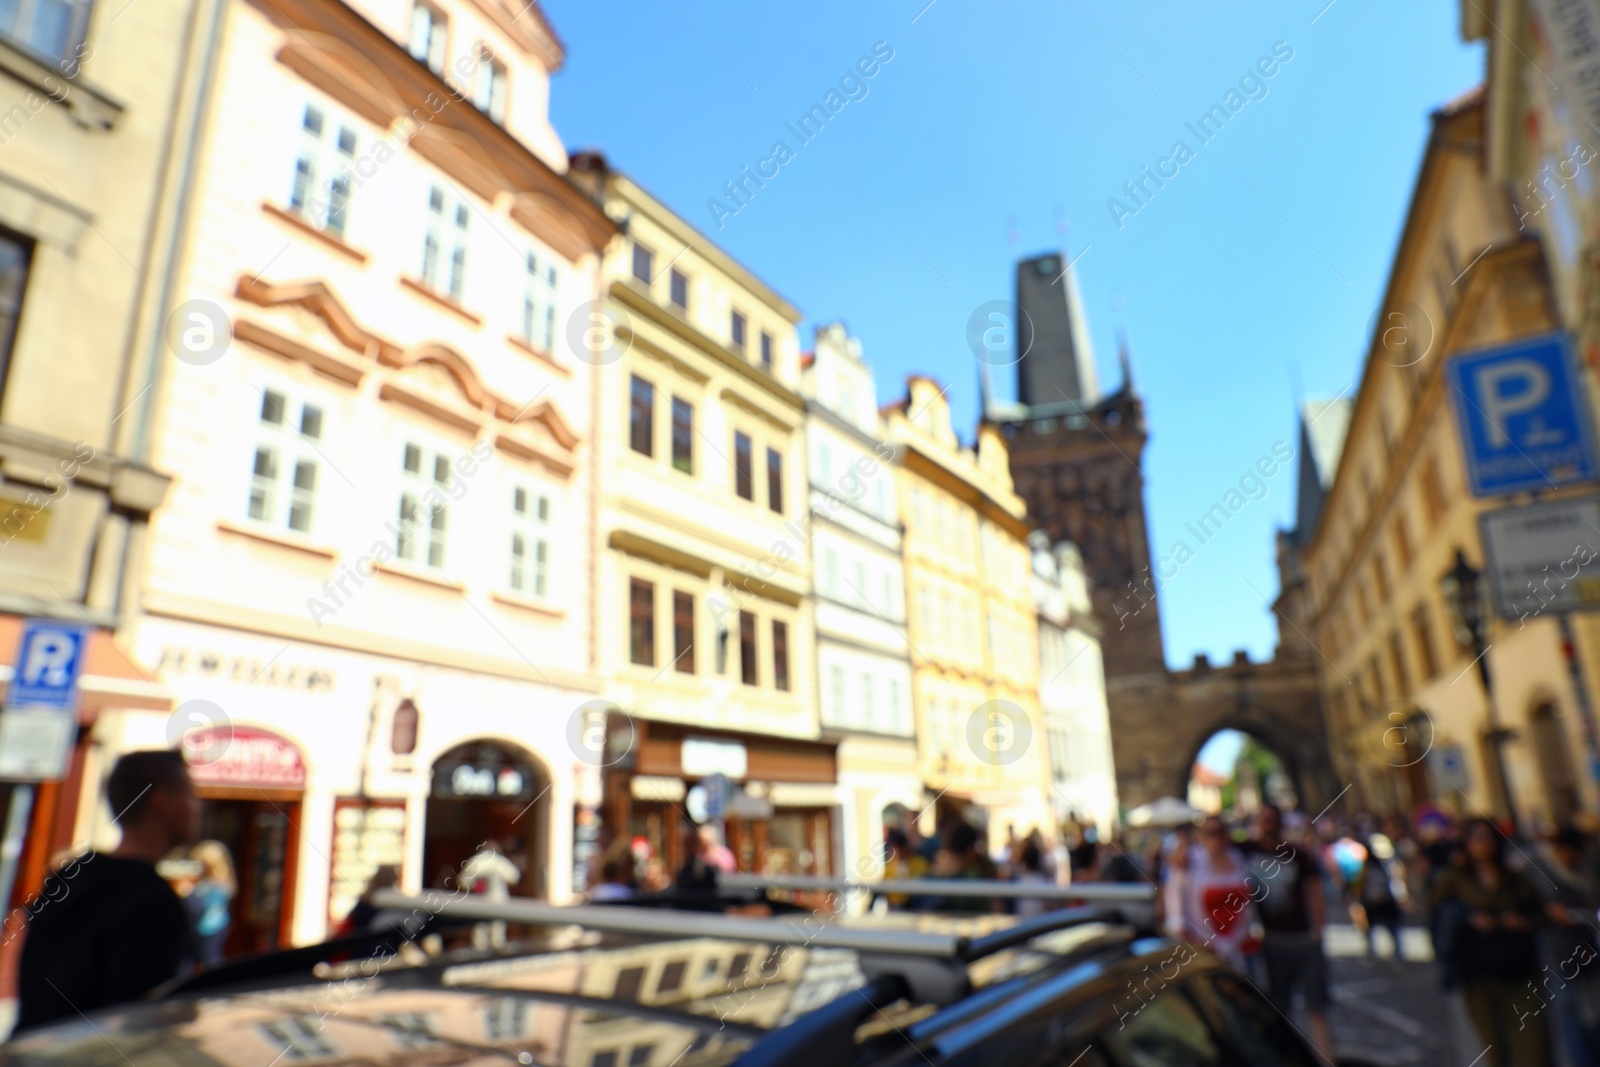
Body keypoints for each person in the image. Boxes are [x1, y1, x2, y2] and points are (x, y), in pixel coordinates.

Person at [16, 749, 201, 1032]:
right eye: (190, 795)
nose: (198, 807)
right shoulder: (150, 900)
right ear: (162, 802)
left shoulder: (70, 878)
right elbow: (137, 1023)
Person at [1431, 817, 1553, 1067]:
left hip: (1519, 970)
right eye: (1475, 837)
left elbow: (1539, 913)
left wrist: (1521, 921)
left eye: (1486, 837)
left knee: (1532, 1046)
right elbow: (1438, 913)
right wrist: (1468, 917)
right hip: (1478, 971)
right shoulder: (1455, 879)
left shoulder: (1515, 878)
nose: (1481, 844)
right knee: (1493, 1047)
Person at [1240, 804, 1333, 1062]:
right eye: (1263, 820)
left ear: (1280, 823)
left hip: (1303, 938)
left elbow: (1314, 890)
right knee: (1279, 1009)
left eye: (1272, 820)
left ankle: (1326, 1060)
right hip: (1272, 940)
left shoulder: (1298, 854)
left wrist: (1319, 929)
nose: (1268, 825)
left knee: (1317, 1010)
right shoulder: (1246, 850)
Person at [1535, 826, 1600, 1066]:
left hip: (1590, 949)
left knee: (1592, 1009)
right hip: (1561, 952)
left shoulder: (1589, 869)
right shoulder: (1544, 873)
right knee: (1569, 1009)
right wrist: (1551, 912)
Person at [1168, 816, 1258, 972]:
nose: (1215, 837)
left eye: (1220, 832)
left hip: (1239, 944)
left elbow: (1248, 900)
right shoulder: (1192, 860)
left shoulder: (1236, 858)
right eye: (1210, 832)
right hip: (1204, 946)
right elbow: (1175, 904)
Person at [460, 839, 520, 948]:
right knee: (497, 934)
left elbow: (463, 882)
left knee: (480, 935)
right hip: (498, 902)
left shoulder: (475, 861)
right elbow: (514, 877)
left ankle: (480, 959)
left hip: (479, 903)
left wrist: (475, 884)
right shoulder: (500, 861)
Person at [186, 839, 236, 967]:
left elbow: (201, 906)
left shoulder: (217, 884)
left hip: (210, 927)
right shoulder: (210, 882)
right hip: (206, 926)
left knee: (210, 960)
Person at [1356, 837, 1403, 959]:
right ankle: (1373, 950)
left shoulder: (1390, 865)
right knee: (1373, 927)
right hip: (1374, 901)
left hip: (1386, 900)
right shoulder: (1367, 866)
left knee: (1392, 927)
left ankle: (1397, 951)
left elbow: (1397, 882)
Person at [1011, 840, 1053, 918]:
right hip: (1037, 925)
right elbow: (1050, 908)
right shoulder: (1043, 882)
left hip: (1027, 924)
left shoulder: (1018, 881)